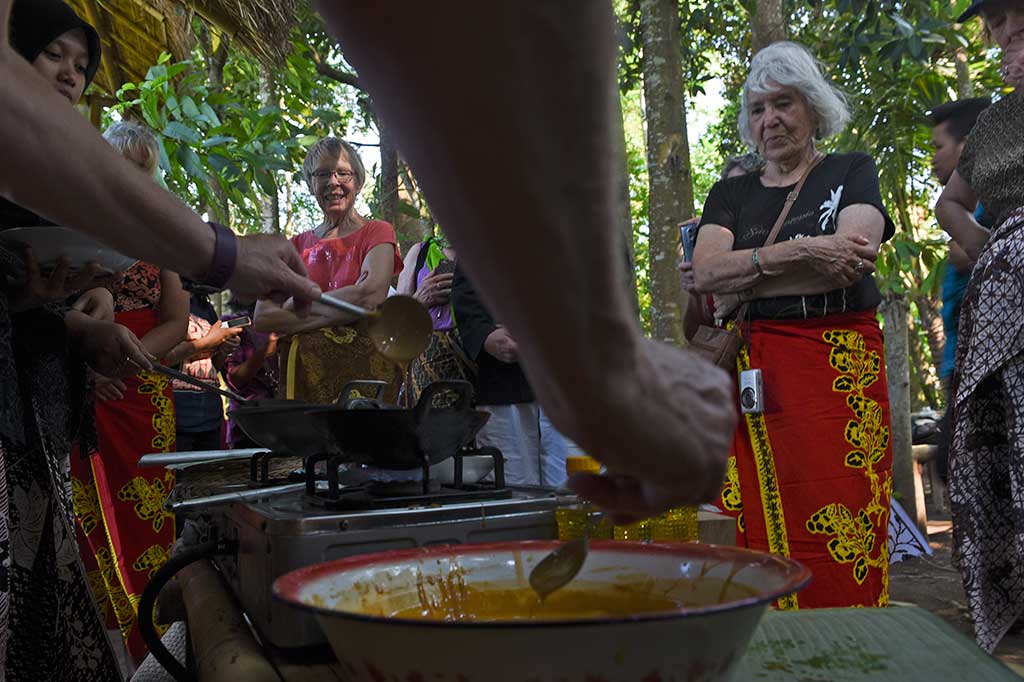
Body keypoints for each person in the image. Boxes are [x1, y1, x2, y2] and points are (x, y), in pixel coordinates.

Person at [316, 2, 735, 520]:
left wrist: (598, 357)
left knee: (573, 503)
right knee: (511, 498)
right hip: (504, 386)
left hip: (559, 393)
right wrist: (602, 363)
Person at [691, 42, 896, 609]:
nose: (770, 120)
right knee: (747, 510)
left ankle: (847, 638)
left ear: (812, 106)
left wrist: (749, 271)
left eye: (783, 104)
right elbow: (707, 275)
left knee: (842, 503)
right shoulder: (731, 192)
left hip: (837, 368)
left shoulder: (849, 169)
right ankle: (764, 642)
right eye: (757, 109)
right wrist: (802, 253)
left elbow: (854, 256)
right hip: (754, 369)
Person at [0, 2, 143, 679]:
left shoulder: (50, 169)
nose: (69, 74)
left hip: (38, 411)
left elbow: (42, 297)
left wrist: (91, 298)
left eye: (82, 65)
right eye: (54, 54)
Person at [69, 121, 190, 664]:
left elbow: (177, 317)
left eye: (143, 165)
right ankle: (106, 649)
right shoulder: (73, 221)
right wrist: (92, 363)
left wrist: (131, 357)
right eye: (124, 161)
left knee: (147, 519)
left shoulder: (159, 230)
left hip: (142, 386)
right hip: (86, 385)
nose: (133, 174)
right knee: (89, 517)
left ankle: (156, 644)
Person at [934, 0, 1024, 652]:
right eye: (998, 30)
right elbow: (950, 202)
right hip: (1001, 321)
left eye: (1019, 26)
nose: (1007, 43)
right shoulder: (997, 122)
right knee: (1005, 462)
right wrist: (987, 245)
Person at [254, 138, 404, 404]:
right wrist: (346, 310)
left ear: (358, 181)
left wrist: (295, 305)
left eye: (342, 173)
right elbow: (264, 316)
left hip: (367, 375)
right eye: (322, 174)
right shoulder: (294, 247)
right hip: (306, 379)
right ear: (311, 184)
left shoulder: (378, 232)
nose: (333, 181)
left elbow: (370, 297)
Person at [452, 266, 568, 487]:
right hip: (505, 386)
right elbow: (467, 296)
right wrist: (485, 335)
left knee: (578, 495)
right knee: (511, 490)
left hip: (571, 386)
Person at [925, 97, 990, 484]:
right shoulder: (968, 208)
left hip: (984, 369)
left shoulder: (993, 204)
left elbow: (967, 252)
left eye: (938, 147)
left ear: (967, 147)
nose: (933, 158)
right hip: (962, 369)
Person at [395, 235, 474, 406]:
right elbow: (396, 323)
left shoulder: (482, 252)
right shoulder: (420, 252)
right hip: (427, 365)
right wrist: (420, 299)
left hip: (473, 359)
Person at [165, 284, 241, 451]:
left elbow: (213, 367)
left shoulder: (204, 305)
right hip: (174, 418)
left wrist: (224, 349)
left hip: (209, 417)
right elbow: (161, 358)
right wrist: (207, 342)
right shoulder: (164, 304)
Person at [222, 300, 279, 448]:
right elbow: (235, 380)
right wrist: (264, 352)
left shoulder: (290, 322)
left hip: (285, 425)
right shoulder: (234, 323)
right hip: (249, 429)